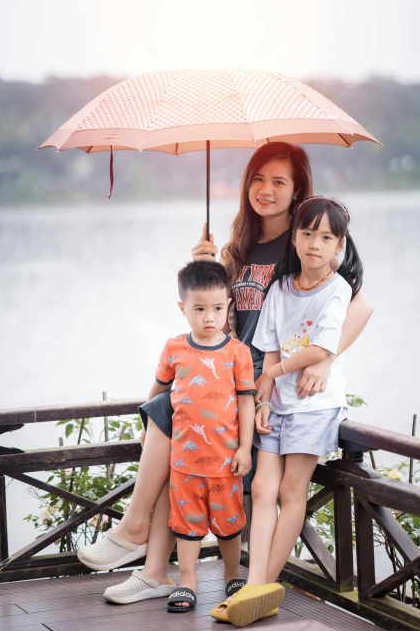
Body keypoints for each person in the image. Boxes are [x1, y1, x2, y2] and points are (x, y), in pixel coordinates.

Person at [77, 142, 373, 604]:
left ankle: (144, 545)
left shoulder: (304, 244)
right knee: (172, 427)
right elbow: (214, 313)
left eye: (279, 182)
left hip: (257, 382)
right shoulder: (240, 244)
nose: (265, 190)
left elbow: (358, 304)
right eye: (258, 178)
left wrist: (325, 358)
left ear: (298, 192)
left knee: (171, 423)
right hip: (224, 370)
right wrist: (206, 266)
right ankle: (153, 566)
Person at [210, 196, 363, 626]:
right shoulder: (280, 287)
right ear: (293, 237)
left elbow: (320, 348)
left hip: (315, 406)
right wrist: (262, 397)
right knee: (262, 490)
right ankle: (254, 582)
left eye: (326, 237)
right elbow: (271, 343)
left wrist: (271, 373)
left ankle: (262, 588)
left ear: (339, 245)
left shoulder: (338, 289)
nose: (315, 243)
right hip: (276, 405)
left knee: (291, 493)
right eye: (307, 233)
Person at [145, 260, 256, 612]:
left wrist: (245, 449)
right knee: (187, 523)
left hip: (227, 461)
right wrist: (149, 432)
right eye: (199, 309)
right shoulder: (174, 348)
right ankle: (188, 581)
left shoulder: (237, 352)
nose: (210, 317)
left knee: (229, 523)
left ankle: (231, 574)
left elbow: (246, 403)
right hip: (185, 461)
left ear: (228, 306)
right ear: (183, 308)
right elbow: (156, 394)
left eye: (218, 309)